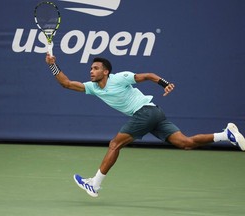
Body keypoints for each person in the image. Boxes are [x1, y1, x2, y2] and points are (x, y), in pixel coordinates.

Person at [45, 53, 245, 198]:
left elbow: (147, 75)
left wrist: (164, 83)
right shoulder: (93, 88)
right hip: (154, 114)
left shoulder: (119, 78)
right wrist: (53, 65)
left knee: (115, 144)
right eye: (90, 68)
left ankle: (95, 184)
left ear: (105, 72)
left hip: (146, 112)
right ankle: (225, 135)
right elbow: (67, 83)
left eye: (95, 68)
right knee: (186, 143)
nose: (91, 71)